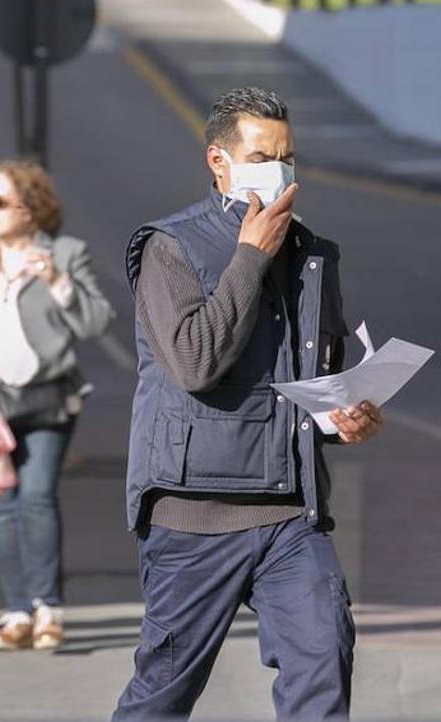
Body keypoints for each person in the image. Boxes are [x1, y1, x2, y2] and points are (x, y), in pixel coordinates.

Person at [112, 87, 383, 720]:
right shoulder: (169, 248)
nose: (280, 171)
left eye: (288, 157)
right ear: (219, 161)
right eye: (262, 155)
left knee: (324, 661)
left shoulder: (314, 255)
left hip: (291, 513)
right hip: (194, 514)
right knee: (163, 695)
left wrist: (347, 418)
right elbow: (194, 363)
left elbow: (314, 383)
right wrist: (250, 256)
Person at [0, 160, 113, 651]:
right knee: (0, 508)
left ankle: (48, 608)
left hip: (48, 399)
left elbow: (95, 323)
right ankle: (16, 611)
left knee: (36, 497)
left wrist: (56, 281)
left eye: (1, 202)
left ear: (32, 209)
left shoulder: (66, 254)